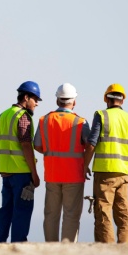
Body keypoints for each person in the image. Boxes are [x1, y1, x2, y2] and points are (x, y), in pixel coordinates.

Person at [34, 83, 91, 242]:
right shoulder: (81, 122)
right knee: (71, 214)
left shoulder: (44, 120)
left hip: (52, 174)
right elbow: (90, 145)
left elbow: (37, 145)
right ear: (74, 102)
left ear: (57, 100)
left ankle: (51, 246)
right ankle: (67, 247)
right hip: (73, 175)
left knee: (51, 214)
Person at [82, 83, 128, 243]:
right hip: (124, 173)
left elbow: (92, 143)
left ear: (106, 98)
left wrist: (85, 164)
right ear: (123, 100)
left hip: (104, 172)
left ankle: (108, 248)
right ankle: (124, 247)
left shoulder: (101, 115)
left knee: (103, 212)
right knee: (123, 213)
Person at [0, 81, 42, 242]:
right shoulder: (23, 117)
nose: (36, 103)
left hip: (5, 172)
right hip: (21, 173)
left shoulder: (3, 115)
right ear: (26, 97)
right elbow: (25, 146)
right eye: (35, 99)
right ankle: (18, 243)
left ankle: (0, 243)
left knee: (6, 211)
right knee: (22, 211)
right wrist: (35, 174)